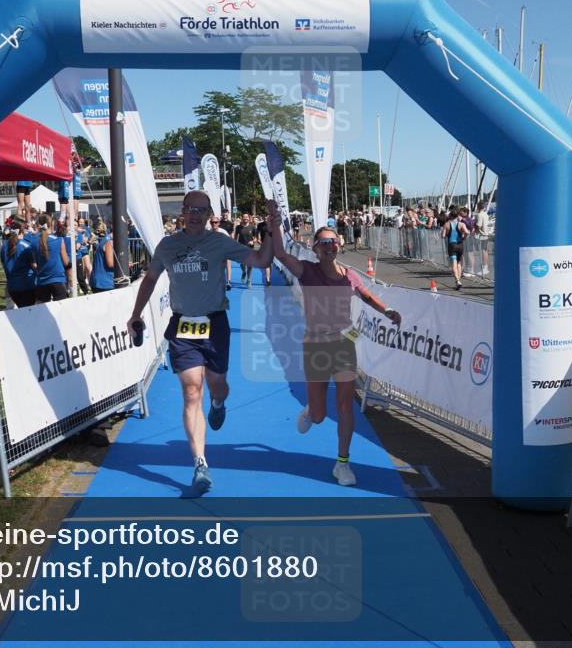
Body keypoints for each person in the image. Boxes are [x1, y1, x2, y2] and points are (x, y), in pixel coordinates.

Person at [126, 192, 280, 496]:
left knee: (217, 385)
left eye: (201, 210)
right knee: (192, 391)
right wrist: (135, 314)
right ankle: (200, 463)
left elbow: (262, 260)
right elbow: (150, 279)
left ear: (210, 213)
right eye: (190, 209)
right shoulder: (167, 245)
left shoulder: (219, 242)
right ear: (182, 213)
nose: (195, 214)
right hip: (183, 326)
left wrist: (272, 225)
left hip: (215, 324)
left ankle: (219, 402)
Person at [271, 225, 401, 486]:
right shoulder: (306, 270)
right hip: (316, 347)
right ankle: (311, 409)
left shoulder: (349, 275)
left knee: (345, 405)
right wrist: (274, 222)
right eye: (323, 242)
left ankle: (342, 463)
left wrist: (387, 311)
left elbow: (367, 296)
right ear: (315, 249)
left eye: (333, 241)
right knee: (319, 417)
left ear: (339, 245)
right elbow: (281, 254)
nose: (329, 246)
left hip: (343, 344)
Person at [32, 213, 72, 303]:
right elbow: (66, 262)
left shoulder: (33, 242)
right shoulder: (58, 240)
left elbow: (34, 263)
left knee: (42, 310)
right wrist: (70, 277)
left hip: (42, 281)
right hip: (58, 279)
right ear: (51, 224)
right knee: (61, 309)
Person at [1, 217, 37, 308]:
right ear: (22, 230)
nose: (27, 230)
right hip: (26, 286)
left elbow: (5, 266)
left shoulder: (4, 247)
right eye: (26, 228)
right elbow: (34, 266)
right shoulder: (26, 246)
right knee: (28, 313)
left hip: (12, 287)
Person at [442, 210, 469, 290]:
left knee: (454, 264)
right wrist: (464, 237)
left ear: (450, 216)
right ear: (457, 216)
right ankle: (458, 281)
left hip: (452, 245)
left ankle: (457, 280)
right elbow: (467, 232)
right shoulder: (461, 224)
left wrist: (446, 233)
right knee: (459, 263)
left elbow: (443, 236)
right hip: (460, 245)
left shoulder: (447, 224)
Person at [89, 221, 116, 293]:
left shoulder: (107, 239)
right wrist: (124, 265)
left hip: (100, 282)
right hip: (104, 283)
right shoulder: (110, 241)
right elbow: (110, 263)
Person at [234, 213, 257, 286]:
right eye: (244, 217)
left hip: (250, 248)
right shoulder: (238, 227)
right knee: (242, 264)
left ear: (249, 218)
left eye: (246, 217)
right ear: (242, 218)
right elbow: (235, 238)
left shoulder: (252, 227)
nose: (245, 218)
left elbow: (256, 238)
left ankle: (249, 279)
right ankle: (244, 272)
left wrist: (253, 241)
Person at [473, 201, 491, 276]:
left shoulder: (479, 215)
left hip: (481, 235)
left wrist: (474, 225)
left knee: (483, 251)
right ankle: (485, 267)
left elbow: (479, 226)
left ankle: (484, 268)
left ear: (479, 206)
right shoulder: (486, 214)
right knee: (485, 251)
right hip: (485, 234)